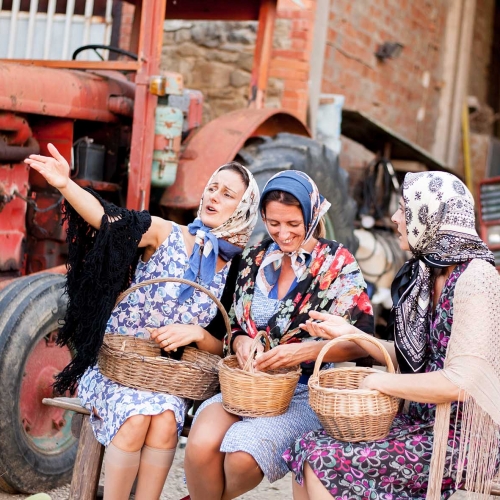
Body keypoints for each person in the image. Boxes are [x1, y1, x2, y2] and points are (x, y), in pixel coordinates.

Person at [24, 145, 260, 500]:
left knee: (165, 422)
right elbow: (108, 218)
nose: (214, 196)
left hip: (167, 378)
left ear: (242, 209)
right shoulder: (166, 233)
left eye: (227, 194)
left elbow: (223, 345)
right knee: (136, 420)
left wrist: (196, 333)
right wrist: (65, 185)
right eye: (213, 187)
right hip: (118, 368)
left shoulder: (237, 270)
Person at [286, 171, 500, 500]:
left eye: (404, 209)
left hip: (458, 436)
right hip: (418, 416)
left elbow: (459, 384)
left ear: (431, 216)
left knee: (322, 462)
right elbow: (415, 357)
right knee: (306, 447)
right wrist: (352, 334)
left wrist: (378, 382)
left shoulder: (476, 277)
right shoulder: (426, 272)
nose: (395, 218)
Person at [184, 170, 374, 500]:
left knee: (242, 458)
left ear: (312, 216)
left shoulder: (336, 262)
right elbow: (232, 327)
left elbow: (361, 344)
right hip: (246, 384)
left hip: (301, 393)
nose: (283, 234)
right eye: (274, 223)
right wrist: (241, 341)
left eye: (293, 224)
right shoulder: (254, 257)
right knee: (199, 445)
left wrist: (302, 353)